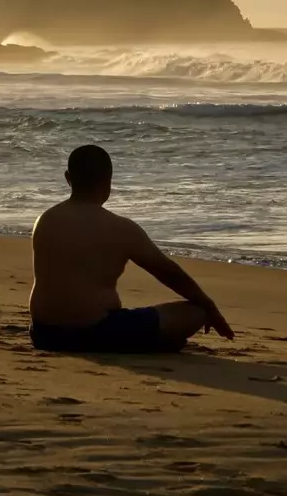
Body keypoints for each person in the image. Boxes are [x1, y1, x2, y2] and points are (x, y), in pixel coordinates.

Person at [29, 144, 234, 354]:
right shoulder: (120, 228)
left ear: (68, 178)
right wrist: (209, 307)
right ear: (108, 182)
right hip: (97, 331)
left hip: (44, 334)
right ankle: (146, 343)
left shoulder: (44, 220)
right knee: (194, 313)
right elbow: (168, 273)